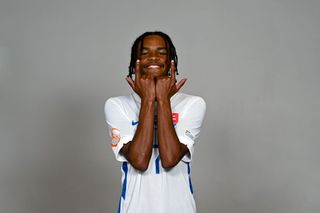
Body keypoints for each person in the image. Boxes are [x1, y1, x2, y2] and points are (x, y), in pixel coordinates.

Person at [104, 31, 206, 213]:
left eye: (161, 52)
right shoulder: (116, 105)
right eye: (144, 53)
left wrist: (163, 99)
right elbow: (139, 160)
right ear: (135, 62)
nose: (153, 57)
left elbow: (170, 158)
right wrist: (149, 99)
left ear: (171, 61)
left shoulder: (192, 104)